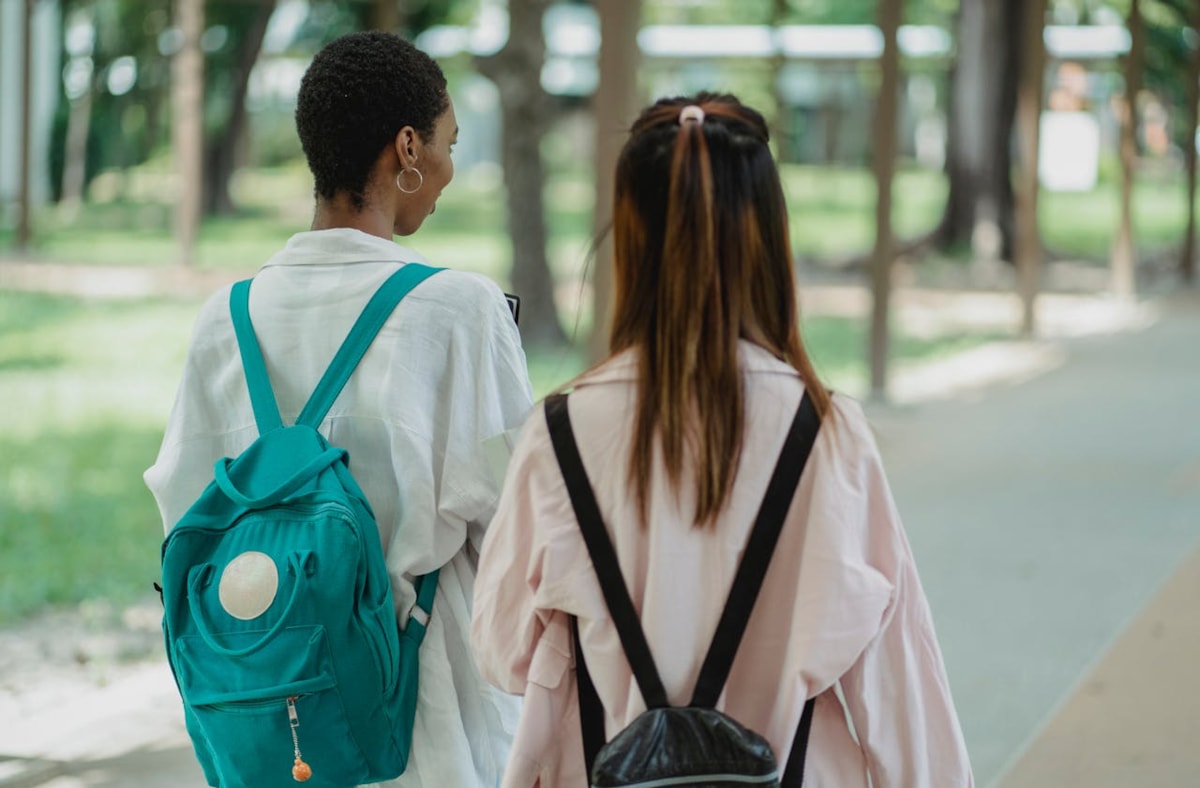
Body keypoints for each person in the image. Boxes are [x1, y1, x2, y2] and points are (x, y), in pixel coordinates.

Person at [471, 93, 974, 787]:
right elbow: (899, 686)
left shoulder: (559, 433)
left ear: (629, 232)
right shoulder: (828, 434)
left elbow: (504, 651)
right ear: (767, 234)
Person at [144, 31, 532, 787]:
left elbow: (183, 514)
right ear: (407, 147)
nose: (449, 169)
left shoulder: (227, 317)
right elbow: (521, 522)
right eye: (448, 144)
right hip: (426, 720)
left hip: (270, 715)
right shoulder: (459, 309)